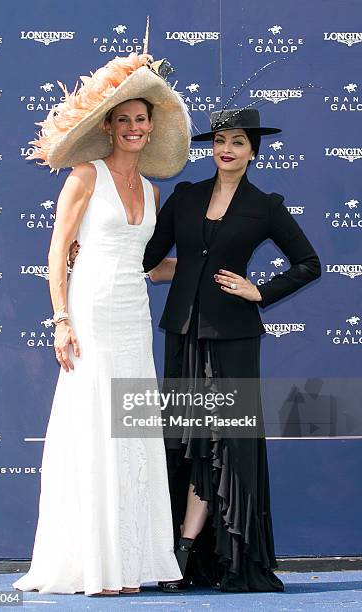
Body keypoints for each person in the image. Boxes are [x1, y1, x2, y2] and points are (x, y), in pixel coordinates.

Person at [12, 52, 191, 596]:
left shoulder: (155, 192)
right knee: (93, 426)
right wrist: (61, 320)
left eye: (142, 120)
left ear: (150, 127)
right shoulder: (84, 175)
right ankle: (95, 563)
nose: (134, 128)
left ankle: (130, 561)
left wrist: (202, 265)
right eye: (124, 120)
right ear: (109, 126)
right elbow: (57, 252)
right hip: (89, 310)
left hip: (134, 316)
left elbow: (148, 266)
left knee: (130, 431)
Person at [142, 107, 321, 593]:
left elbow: (309, 264)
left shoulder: (265, 205)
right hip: (183, 334)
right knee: (185, 441)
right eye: (221, 139)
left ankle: (216, 555)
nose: (227, 149)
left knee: (227, 443)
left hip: (234, 341)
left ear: (252, 151)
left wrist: (260, 291)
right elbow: (148, 256)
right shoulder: (186, 195)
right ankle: (178, 551)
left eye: (239, 141)